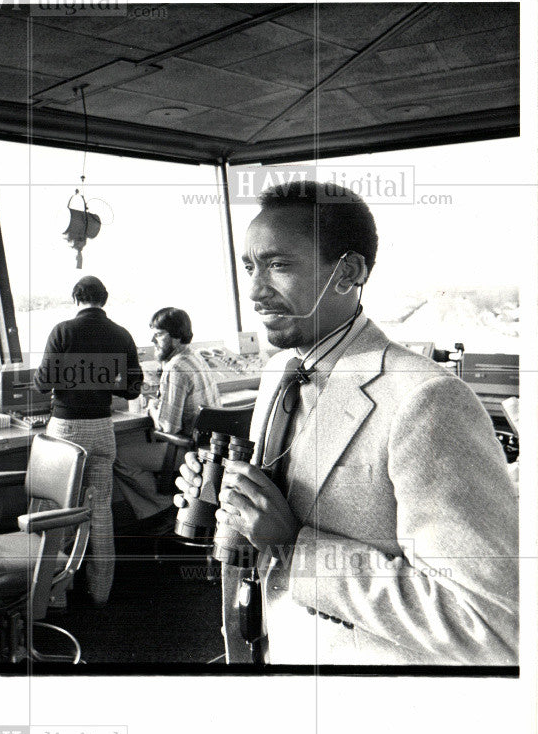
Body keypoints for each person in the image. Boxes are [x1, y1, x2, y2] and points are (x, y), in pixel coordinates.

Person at [176, 180, 518, 665]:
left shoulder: (427, 400)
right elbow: (268, 521)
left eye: (278, 265)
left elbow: (490, 624)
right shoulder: (280, 373)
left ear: (349, 272)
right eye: (250, 267)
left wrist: (295, 545)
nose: (254, 290)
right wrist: (226, 500)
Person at [34, 276, 143, 605]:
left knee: (59, 510)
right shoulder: (121, 334)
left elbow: (42, 382)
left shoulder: (63, 331)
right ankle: (100, 592)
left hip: (67, 430)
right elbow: (132, 389)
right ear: (104, 299)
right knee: (101, 512)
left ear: (75, 298)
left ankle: (57, 594)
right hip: (102, 429)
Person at [114, 307, 222, 521]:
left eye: (159, 334)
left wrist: (153, 406)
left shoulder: (176, 367)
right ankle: (169, 509)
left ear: (177, 337)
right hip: (210, 451)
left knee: (118, 457)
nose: (153, 340)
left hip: (187, 451)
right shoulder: (195, 358)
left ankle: (164, 508)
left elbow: (166, 427)